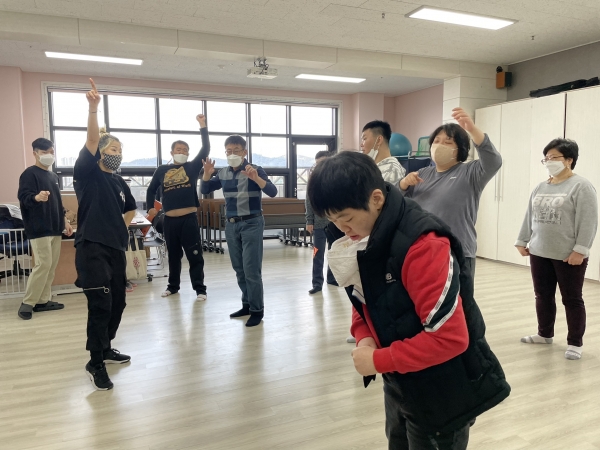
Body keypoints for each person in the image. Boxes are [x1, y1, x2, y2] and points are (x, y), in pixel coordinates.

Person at [308, 151, 510, 449]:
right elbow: (363, 297)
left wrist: (377, 360)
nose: (342, 229)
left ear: (376, 199)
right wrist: (364, 337)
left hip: (443, 387)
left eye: (346, 219)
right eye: (333, 221)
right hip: (401, 376)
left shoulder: (424, 245)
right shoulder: (368, 233)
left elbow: (449, 339)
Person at [74, 79, 137, 390]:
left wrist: (121, 227)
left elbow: (131, 209)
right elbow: (90, 139)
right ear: (99, 151)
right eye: (113, 148)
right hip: (92, 247)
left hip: (115, 247)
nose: (118, 153)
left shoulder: (119, 181)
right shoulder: (87, 174)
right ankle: (95, 361)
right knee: (100, 304)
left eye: (120, 149)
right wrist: (93, 109)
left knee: (118, 303)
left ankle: (106, 346)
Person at [400, 107, 502, 296]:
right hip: (423, 249)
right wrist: (403, 184)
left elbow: (493, 161)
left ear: (459, 149)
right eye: (436, 141)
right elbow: (399, 205)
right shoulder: (421, 174)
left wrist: (472, 129)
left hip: (458, 251)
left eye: (447, 142)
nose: (439, 145)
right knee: (426, 300)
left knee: (460, 303)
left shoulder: (470, 172)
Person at [515, 139, 598, 361]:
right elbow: (530, 215)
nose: (549, 161)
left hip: (567, 255)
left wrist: (580, 250)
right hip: (539, 251)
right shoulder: (541, 187)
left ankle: (575, 343)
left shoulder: (581, 186)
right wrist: (522, 240)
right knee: (542, 295)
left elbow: (588, 221)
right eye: (546, 158)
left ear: (569, 160)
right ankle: (544, 334)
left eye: (554, 157)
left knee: (572, 299)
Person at [200, 135, 277, 327]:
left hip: (252, 223)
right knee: (239, 269)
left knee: (251, 269)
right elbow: (205, 189)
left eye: (236, 151)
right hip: (231, 224)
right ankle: (247, 305)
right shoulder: (224, 172)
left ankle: (257, 310)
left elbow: (272, 191)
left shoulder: (255, 169)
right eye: (228, 151)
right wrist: (207, 174)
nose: (232, 154)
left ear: (244, 152)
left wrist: (256, 178)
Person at [146, 115, 210, 301]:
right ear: (172, 152)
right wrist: (150, 208)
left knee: (194, 255)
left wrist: (203, 126)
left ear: (188, 154)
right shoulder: (161, 170)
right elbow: (150, 190)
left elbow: (206, 148)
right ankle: (172, 286)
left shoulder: (191, 168)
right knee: (173, 256)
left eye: (185, 150)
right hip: (169, 220)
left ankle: (200, 289)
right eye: (178, 149)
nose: (182, 152)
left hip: (188, 219)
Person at [16, 138, 74, 320]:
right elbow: (24, 197)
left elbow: (58, 203)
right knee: (43, 265)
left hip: (55, 227)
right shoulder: (29, 174)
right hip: (39, 228)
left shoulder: (53, 177)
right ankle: (28, 303)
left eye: (51, 152)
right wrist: (36, 198)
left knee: (51, 266)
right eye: (44, 152)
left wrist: (65, 221)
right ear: (35, 153)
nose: (49, 155)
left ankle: (43, 300)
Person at [305, 150, 337, 295]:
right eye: (317, 163)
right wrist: (309, 221)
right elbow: (308, 202)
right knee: (317, 254)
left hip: (335, 223)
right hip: (318, 225)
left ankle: (332, 278)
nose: (319, 166)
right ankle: (317, 283)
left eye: (322, 162)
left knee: (334, 252)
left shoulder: (336, 179)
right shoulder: (313, 180)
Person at [360, 120, 405, 186]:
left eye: (364, 139)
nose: (361, 144)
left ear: (379, 140)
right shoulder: (374, 167)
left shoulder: (391, 170)